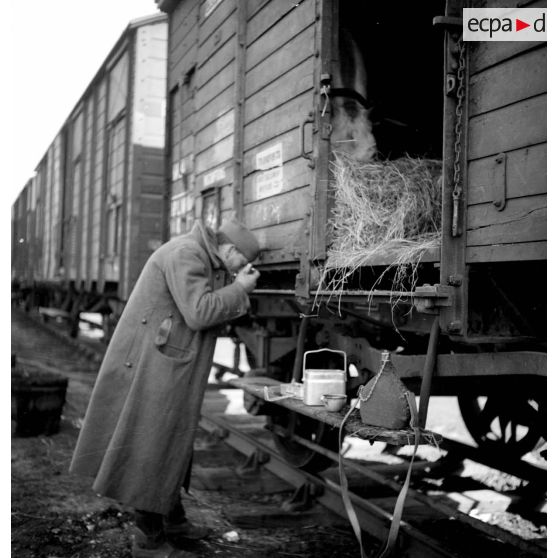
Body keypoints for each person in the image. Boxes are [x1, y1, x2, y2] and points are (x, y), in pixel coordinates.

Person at [70, 218, 261, 558]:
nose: (240, 271)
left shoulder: (197, 252)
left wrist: (232, 288)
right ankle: (148, 541)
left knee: (170, 438)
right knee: (153, 442)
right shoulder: (187, 253)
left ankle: (173, 519)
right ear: (230, 250)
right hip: (155, 363)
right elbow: (199, 312)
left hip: (166, 359)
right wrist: (240, 290)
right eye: (241, 263)